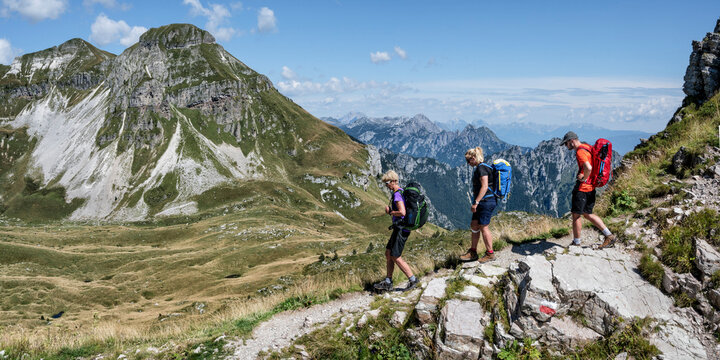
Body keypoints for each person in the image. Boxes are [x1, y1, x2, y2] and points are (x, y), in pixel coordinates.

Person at [561, 131, 616, 248]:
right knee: (588, 214)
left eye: (566, 144)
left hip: (583, 189)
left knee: (576, 216)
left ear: (571, 141)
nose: (566, 146)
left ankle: (576, 243)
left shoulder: (580, 152)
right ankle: (609, 235)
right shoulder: (587, 147)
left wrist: (584, 178)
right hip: (592, 188)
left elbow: (588, 167)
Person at [373, 170, 419, 292]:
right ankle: (388, 281)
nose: (386, 185)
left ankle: (412, 279)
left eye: (387, 183)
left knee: (395, 255)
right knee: (388, 253)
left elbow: (402, 212)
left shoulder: (397, 194)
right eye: (385, 183)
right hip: (398, 228)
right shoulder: (400, 192)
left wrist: (391, 212)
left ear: (393, 181)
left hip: (401, 229)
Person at [460, 147, 497, 263]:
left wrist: (476, 202)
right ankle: (473, 252)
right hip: (483, 202)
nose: (468, 163)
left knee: (483, 226)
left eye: (469, 160)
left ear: (474, 158)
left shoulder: (482, 168)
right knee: (474, 225)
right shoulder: (481, 167)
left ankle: (490, 253)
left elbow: (485, 186)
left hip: (485, 202)